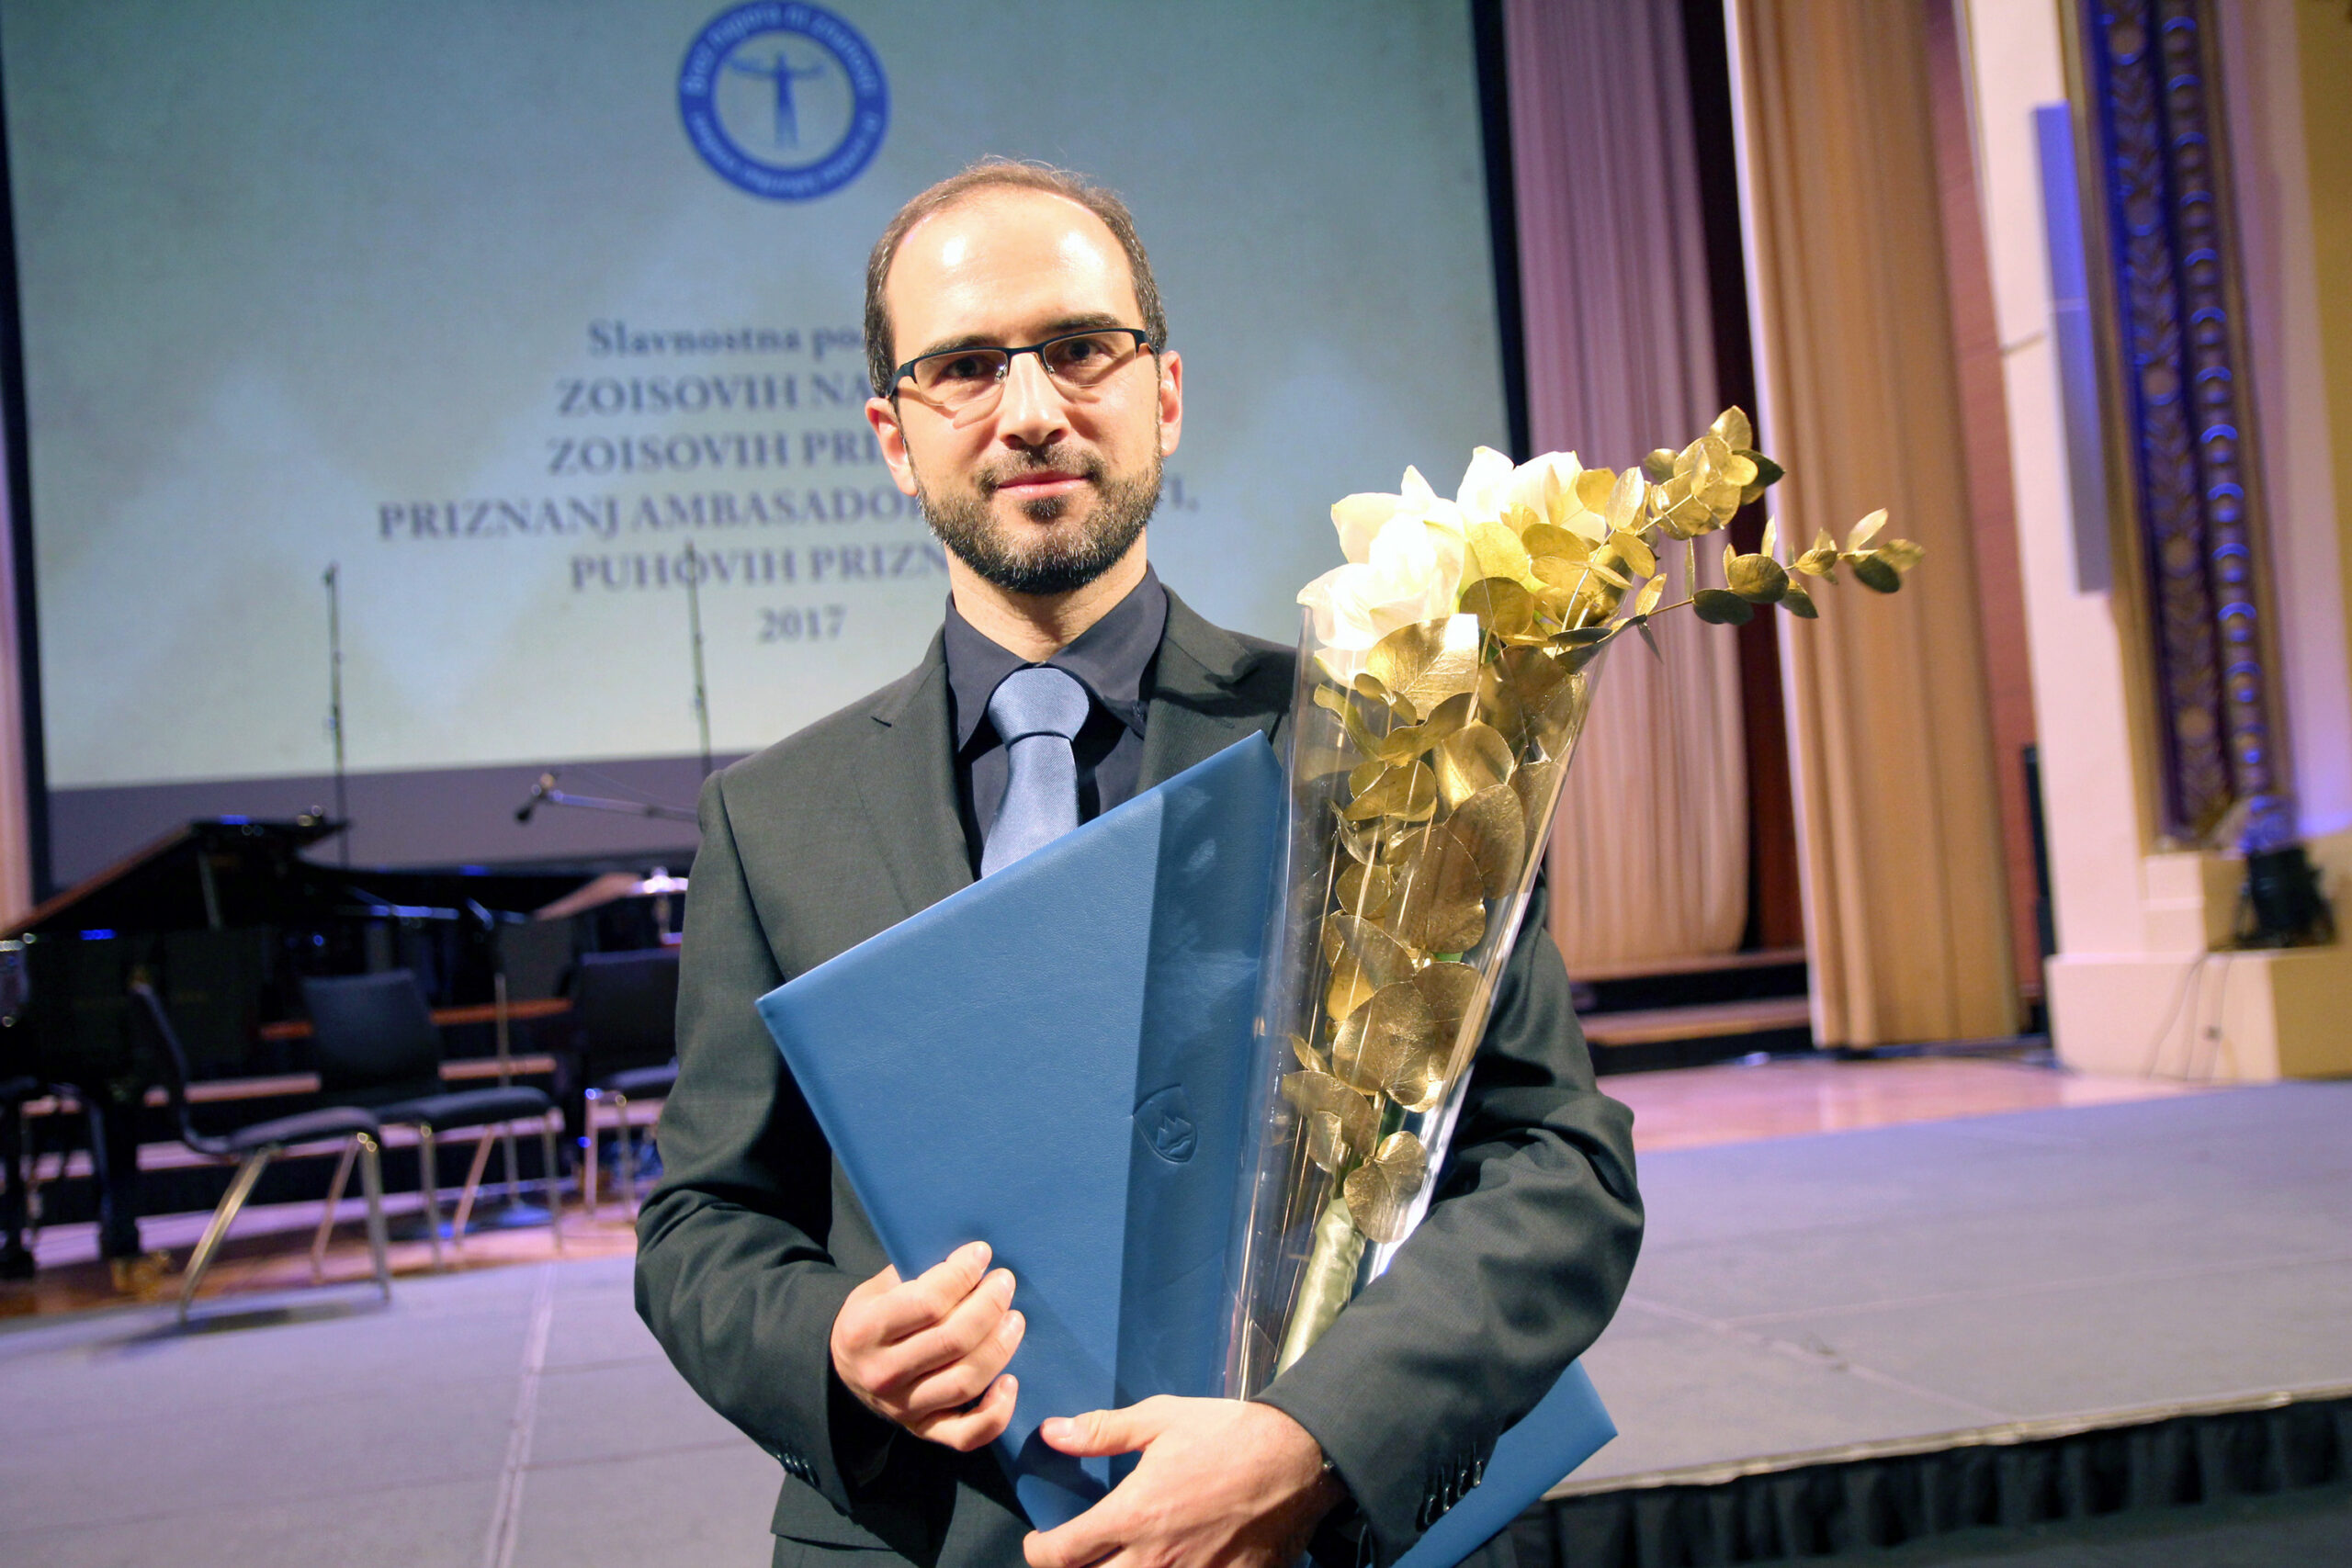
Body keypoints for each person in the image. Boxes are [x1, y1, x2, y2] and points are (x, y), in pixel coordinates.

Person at [636, 160, 1643, 1568]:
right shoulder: (773, 820)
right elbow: (703, 1222)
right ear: (892, 436)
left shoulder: (1381, 743)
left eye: (1080, 349)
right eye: (965, 367)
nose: (1031, 410)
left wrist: (1312, 1440)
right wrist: (832, 1339)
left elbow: (1556, 1165)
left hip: (1303, 1537)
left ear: (1165, 392)